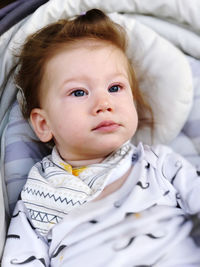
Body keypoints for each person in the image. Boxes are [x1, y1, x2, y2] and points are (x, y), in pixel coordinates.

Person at [2, 9, 200, 267]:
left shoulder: (160, 164)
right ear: (43, 123)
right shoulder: (35, 199)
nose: (103, 103)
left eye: (115, 88)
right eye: (79, 92)